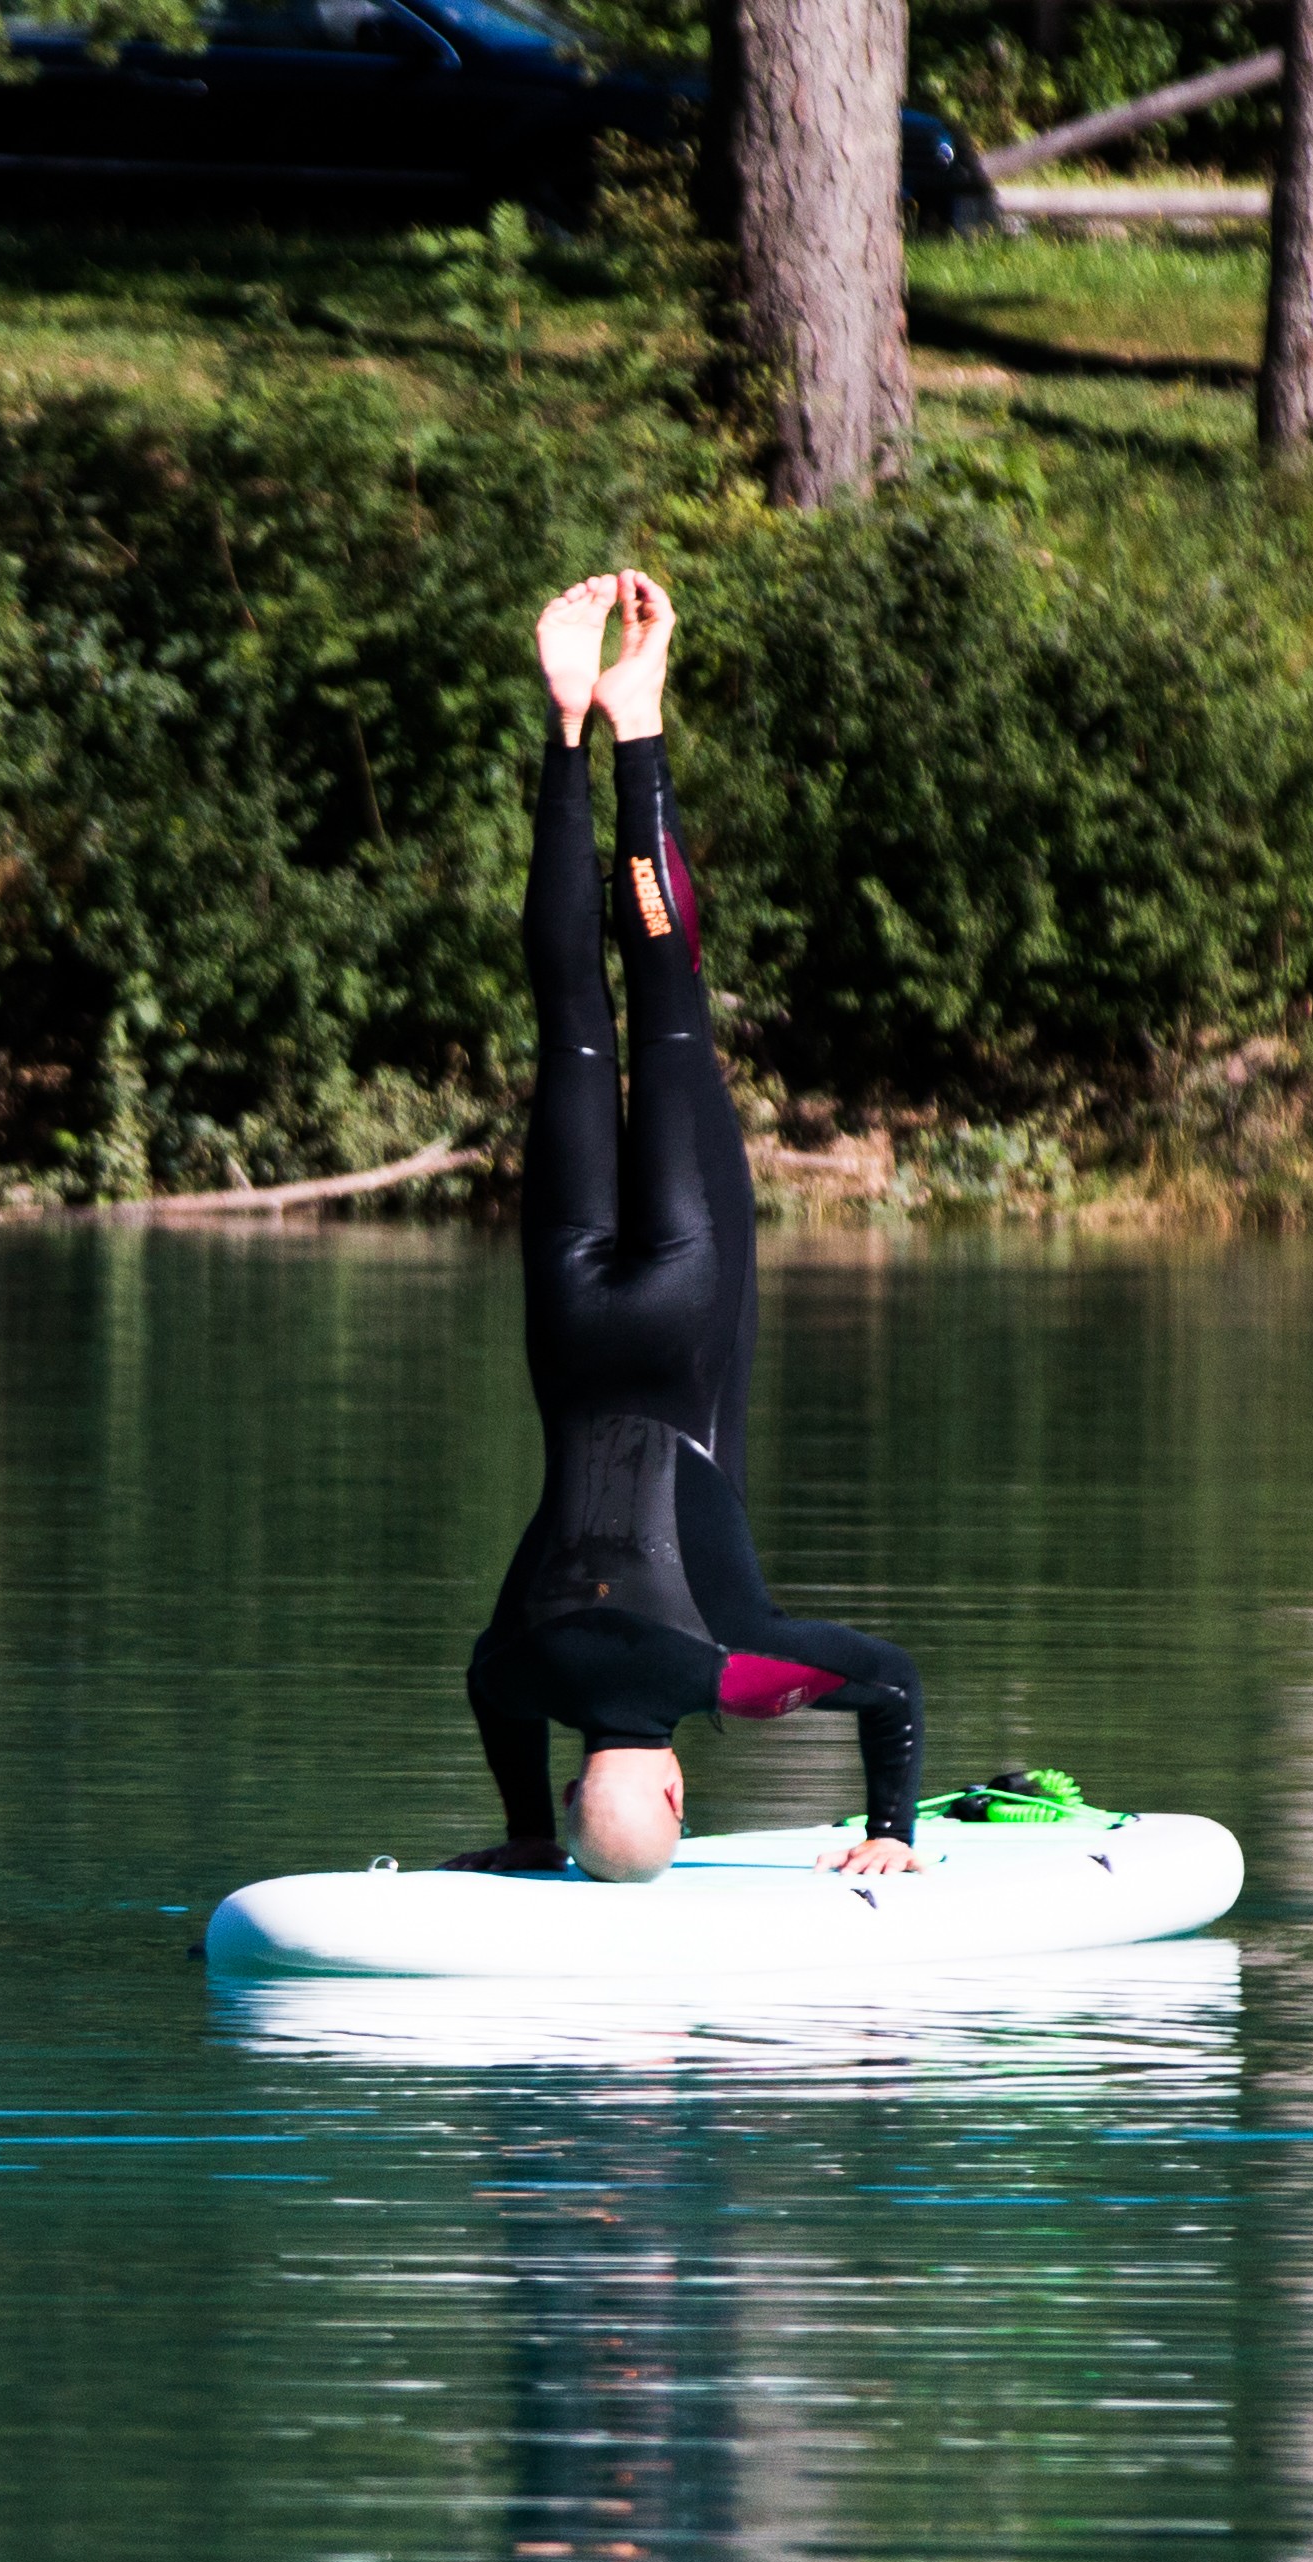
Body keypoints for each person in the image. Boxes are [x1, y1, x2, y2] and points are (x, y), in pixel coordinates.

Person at [455, 569, 922, 1888]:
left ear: (674, 1782)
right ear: (578, 1780)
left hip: (684, 1304)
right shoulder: (519, 1668)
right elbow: (491, 1692)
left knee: (666, 1018)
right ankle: (567, 726)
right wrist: (527, 1832)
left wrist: (892, 1832)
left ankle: (640, 725)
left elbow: (888, 1681)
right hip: (568, 1320)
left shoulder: (727, 1673)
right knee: (568, 1024)